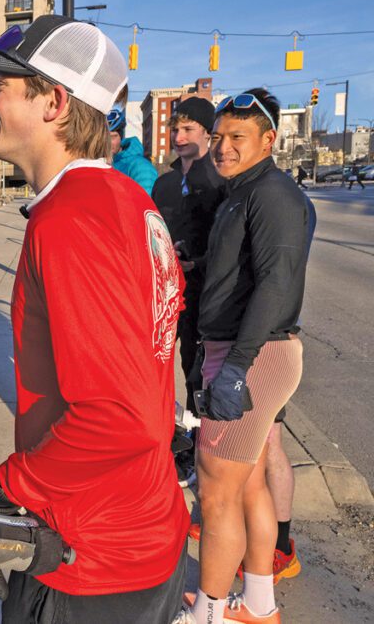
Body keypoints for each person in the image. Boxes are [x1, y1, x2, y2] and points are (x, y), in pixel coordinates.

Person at [0, 16, 188, 623]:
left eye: (1, 84)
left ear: (54, 101)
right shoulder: (127, 199)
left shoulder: (73, 220)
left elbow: (119, 416)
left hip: (92, 559)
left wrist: (3, 493)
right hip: (138, 530)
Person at [182, 89, 310, 624]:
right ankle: (257, 604)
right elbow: (241, 266)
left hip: (251, 355)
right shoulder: (243, 190)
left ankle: (209, 613)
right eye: (219, 137)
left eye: (237, 138)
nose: (223, 148)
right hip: (240, 351)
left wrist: (235, 367)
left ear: (268, 141)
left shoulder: (273, 192)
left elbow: (277, 284)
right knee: (248, 484)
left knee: (215, 492)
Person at [150, 97, 224, 487]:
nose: (178, 137)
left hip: (205, 293)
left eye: (188, 129)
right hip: (164, 291)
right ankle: (169, 438)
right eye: (174, 129)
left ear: (208, 135)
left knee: (196, 371)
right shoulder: (163, 183)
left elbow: (233, 245)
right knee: (154, 365)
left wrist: (198, 262)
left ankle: (199, 450)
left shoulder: (219, 179)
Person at [107, 106, 158, 194]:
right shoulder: (101, 163)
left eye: (112, 137)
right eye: (102, 137)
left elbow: (145, 203)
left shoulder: (140, 166)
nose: (107, 142)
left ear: (121, 137)